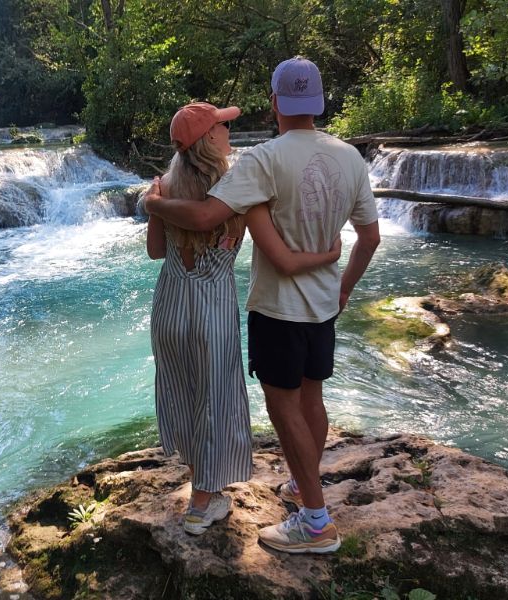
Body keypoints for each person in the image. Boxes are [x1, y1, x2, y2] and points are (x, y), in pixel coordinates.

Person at [145, 57, 381, 553]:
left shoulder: (261, 162)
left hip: (248, 308)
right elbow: (370, 237)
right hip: (320, 305)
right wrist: (343, 284)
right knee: (309, 398)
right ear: (318, 102)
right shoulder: (351, 157)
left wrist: (153, 204)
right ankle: (301, 487)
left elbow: (201, 218)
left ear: (275, 102)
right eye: (223, 128)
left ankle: (311, 516)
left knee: (270, 404)